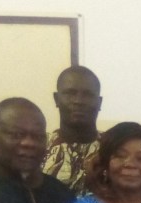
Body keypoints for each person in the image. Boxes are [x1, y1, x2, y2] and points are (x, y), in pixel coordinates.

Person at [43, 65, 102, 193]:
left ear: (99, 102)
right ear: (56, 99)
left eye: (88, 95)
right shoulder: (39, 148)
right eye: (70, 93)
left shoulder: (114, 149)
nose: (78, 101)